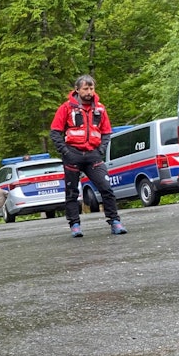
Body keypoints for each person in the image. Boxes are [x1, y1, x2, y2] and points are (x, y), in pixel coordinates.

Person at [49, 74, 128, 237]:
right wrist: (65, 152)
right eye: (85, 88)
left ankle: (115, 221)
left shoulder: (100, 109)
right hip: (73, 154)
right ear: (77, 90)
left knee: (106, 188)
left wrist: (100, 150)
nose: (89, 92)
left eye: (91, 88)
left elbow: (106, 132)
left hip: (93, 155)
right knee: (72, 192)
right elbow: (55, 132)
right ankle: (75, 225)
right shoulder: (66, 108)